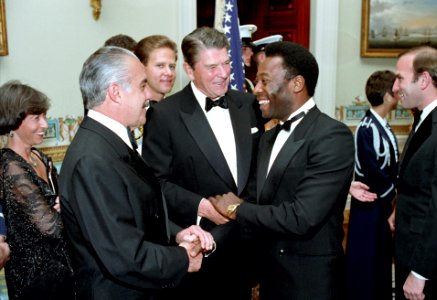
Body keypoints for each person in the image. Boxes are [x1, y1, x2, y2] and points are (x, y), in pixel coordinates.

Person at [58, 46, 214, 300]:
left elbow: (133, 215)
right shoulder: (93, 159)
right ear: (116, 93)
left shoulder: (109, 142)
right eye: (142, 86)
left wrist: (175, 234)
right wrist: (182, 257)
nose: (149, 96)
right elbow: (123, 256)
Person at [209, 41, 355, 300]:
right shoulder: (268, 136)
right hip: (269, 278)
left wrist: (236, 208)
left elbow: (302, 217)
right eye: (257, 81)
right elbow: (256, 200)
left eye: (265, 81)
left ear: (296, 84)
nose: (256, 90)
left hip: (310, 283)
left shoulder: (332, 136)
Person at [141, 26, 263, 300]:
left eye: (226, 64)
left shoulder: (248, 104)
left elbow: (260, 169)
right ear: (189, 68)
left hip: (247, 248)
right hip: (200, 252)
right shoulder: (164, 115)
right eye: (211, 67)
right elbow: (155, 184)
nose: (223, 74)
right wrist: (202, 207)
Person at [391, 46, 437, 300]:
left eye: (400, 78)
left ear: (425, 79)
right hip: (412, 249)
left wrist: (420, 273)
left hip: (431, 268)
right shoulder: (426, 119)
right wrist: (400, 207)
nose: (395, 87)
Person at [0, 81, 74, 299]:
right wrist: (70, 207)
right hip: (35, 280)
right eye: (36, 118)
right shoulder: (10, 166)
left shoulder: (39, 157)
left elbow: (65, 198)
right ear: (14, 121)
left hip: (61, 270)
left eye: (44, 116)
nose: (45, 124)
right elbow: (51, 227)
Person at [345, 70, 399, 300]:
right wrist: (394, 193)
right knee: (366, 263)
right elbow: (371, 169)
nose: (399, 95)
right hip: (370, 207)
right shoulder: (366, 128)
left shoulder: (384, 126)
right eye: (396, 91)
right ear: (387, 96)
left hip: (383, 204)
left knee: (381, 260)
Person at [134, 35, 178, 103]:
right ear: (141, 67)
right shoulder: (129, 110)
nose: (169, 73)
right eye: (160, 66)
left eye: (172, 66)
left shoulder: (176, 108)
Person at [239, 24, 257, 93]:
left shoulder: (248, 83)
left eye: (250, 49)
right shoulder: (226, 82)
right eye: (244, 49)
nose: (251, 53)